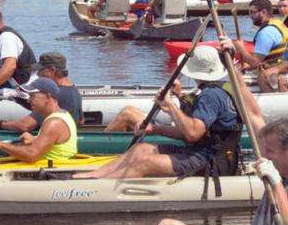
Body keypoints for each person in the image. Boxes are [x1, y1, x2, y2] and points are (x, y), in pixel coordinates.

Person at [148, 48, 288, 225]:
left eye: (270, 152)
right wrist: (230, 64)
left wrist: (276, 183)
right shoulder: (279, 165)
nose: (265, 157)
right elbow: (252, 113)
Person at [74, 45, 240, 180]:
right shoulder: (212, 91)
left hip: (210, 161)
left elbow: (192, 134)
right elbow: (189, 133)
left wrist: (170, 104)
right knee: (139, 149)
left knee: (143, 162)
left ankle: (97, 187)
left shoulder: (210, 95)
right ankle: (92, 176)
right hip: (199, 152)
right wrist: (155, 129)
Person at [0, 79, 78, 163]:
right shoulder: (63, 113)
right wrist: (35, 141)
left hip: (52, 173)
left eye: (33, 96)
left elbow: (31, 156)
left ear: (48, 97)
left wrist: (1, 145)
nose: (28, 100)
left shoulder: (54, 122)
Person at [0, 51, 82, 133]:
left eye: (40, 70)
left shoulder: (54, 94)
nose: (38, 74)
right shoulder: (74, 89)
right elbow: (81, 120)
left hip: (52, 140)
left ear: (52, 70)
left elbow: (25, 125)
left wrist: (1, 124)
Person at [228, 0, 288, 70]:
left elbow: (255, 63)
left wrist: (241, 49)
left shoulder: (266, 33)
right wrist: (249, 67)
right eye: (250, 12)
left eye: (253, 12)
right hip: (280, 66)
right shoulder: (279, 23)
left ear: (263, 12)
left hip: (273, 73)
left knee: (236, 74)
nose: (250, 16)